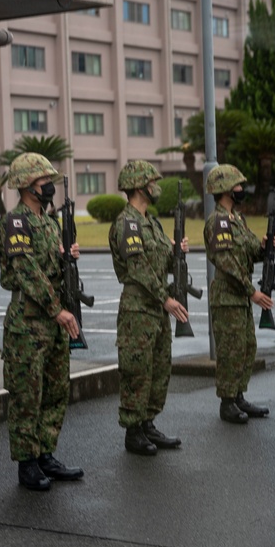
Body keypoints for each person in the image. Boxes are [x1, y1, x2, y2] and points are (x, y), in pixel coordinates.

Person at [0, 152, 85, 491]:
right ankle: (27, 462)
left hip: (53, 320)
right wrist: (56, 308)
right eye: (43, 181)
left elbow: (48, 266)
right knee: (27, 395)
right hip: (29, 321)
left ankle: (46, 453)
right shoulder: (16, 222)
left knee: (55, 390)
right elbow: (26, 271)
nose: (50, 186)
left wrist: (66, 257)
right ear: (27, 185)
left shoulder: (48, 222)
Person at [108, 160, 189, 456]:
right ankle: (133, 431)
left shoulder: (151, 222)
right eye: (152, 182)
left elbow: (161, 263)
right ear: (140, 186)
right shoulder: (128, 223)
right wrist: (165, 298)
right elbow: (138, 267)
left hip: (155, 306)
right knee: (138, 369)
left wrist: (176, 253)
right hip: (138, 308)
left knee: (158, 367)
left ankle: (148, 423)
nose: (156, 187)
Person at [204, 164, 275, 424]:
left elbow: (250, 251)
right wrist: (252, 292)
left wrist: (264, 246)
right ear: (224, 189)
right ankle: (227, 402)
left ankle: (239, 395)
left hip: (240, 296)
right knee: (231, 349)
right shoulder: (218, 221)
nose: (241, 190)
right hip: (228, 295)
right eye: (237, 186)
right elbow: (226, 263)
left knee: (246, 346)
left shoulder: (237, 219)